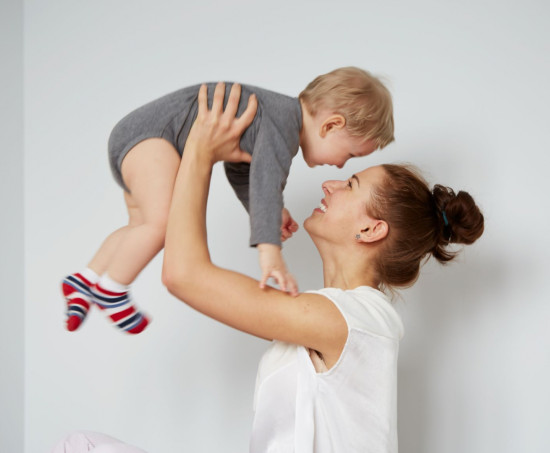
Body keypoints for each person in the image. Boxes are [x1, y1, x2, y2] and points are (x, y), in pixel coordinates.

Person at [160, 83, 485, 452]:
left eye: (351, 184)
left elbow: (183, 275)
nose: (330, 184)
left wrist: (200, 150)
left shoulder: (354, 321)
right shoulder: (332, 316)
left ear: (370, 229)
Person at [61, 67, 395, 334]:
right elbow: (265, 179)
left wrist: (264, 211)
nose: (340, 165)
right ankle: (112, 289)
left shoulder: (272, 119)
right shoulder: (282, 126)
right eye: (349, 154)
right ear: (331, 124)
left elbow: (241, 171)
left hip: (138, 138)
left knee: (140, 225)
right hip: (152, 139)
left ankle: (86, 278)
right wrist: (269, 251)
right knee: (161, 224)